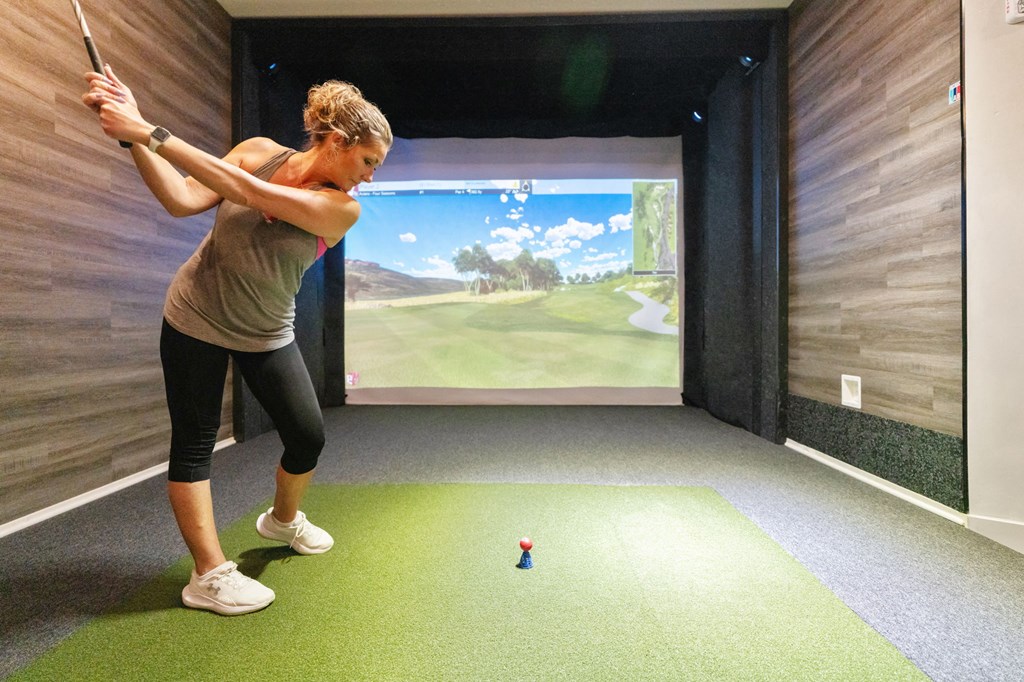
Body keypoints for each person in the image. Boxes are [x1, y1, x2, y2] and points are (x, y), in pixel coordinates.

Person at [82, 65, 392, 615]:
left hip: (266, 331)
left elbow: (246, 191)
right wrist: (134, 138)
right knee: (194, 439)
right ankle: (207, 573)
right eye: (368, 162)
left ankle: (282, 520)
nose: (369, 177)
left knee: (306, 435)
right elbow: (181, 199)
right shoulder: (257, 150)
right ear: (339, 141)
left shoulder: (342, 208)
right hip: (194, 315)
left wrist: (147, 127)